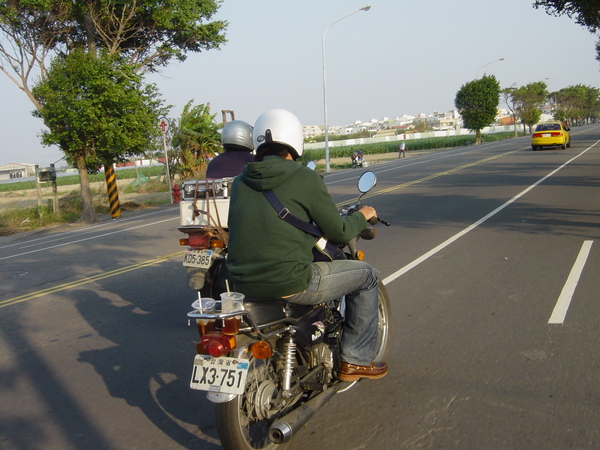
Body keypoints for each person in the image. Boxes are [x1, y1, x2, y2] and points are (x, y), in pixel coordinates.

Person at [226, 109, 387, 381]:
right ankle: (356, 360)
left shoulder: (240, 182)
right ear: (295, 142)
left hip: (240, 283)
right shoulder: (305, 178)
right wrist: (362, 216)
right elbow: (338, 230)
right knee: (367, 276)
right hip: (291, 282)